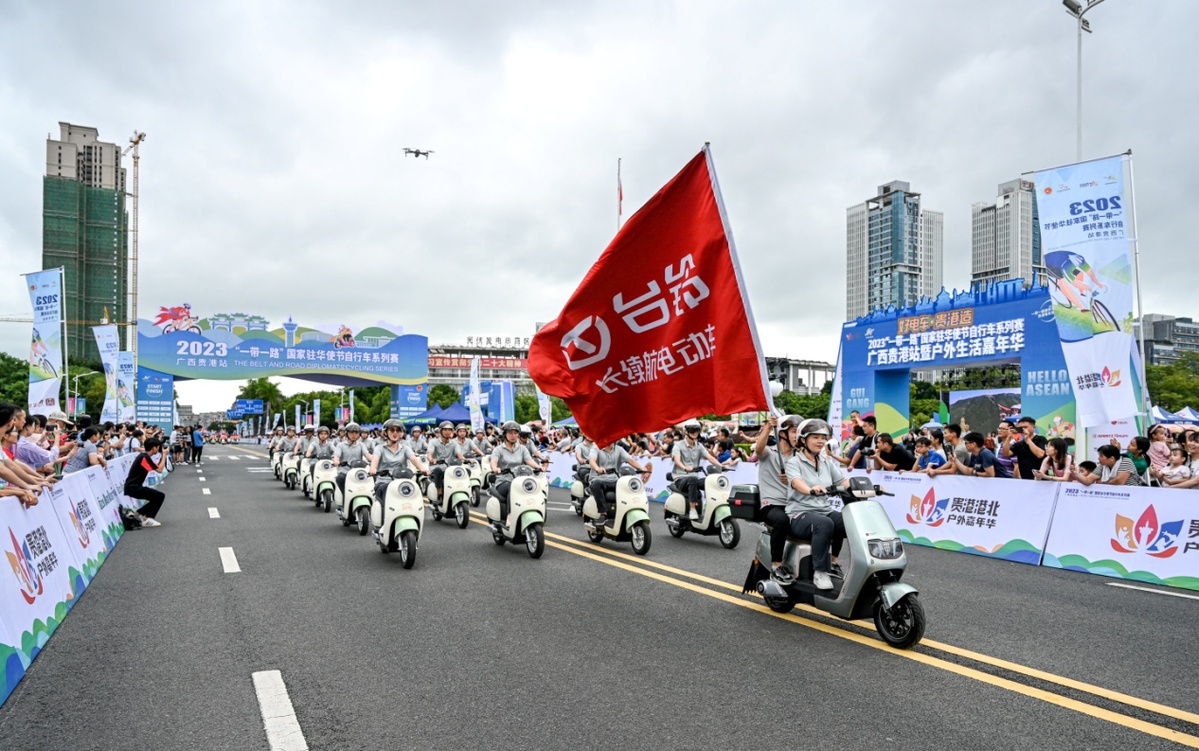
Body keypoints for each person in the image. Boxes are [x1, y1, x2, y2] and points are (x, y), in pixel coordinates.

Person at [784, 419, 850, 591]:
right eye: (815, 437)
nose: (821, 441)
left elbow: (843, 480)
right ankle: (820, 572)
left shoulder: (826, 462)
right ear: (803, 439)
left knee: (848, 521)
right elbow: (796, 483)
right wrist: (810, 489)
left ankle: (833, 563)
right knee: (825, 524)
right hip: (799, 513)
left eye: (823, 437)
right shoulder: (793, 462)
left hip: (823, 510)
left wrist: (867, 486)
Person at [755, 414, 803, 584]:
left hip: (795, 504)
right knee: (781, 520)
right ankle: (777, 565)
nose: (798, 435)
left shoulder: (800, 458)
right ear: (782, 434)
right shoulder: (770, 453)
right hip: (772, 505)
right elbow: (758, 450)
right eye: (794, 431)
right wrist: (768, 426)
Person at [587, 439, 649, 528]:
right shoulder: (596, 448)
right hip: (599, 478)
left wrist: (641, 468)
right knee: (596, 484)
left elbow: (630, 460)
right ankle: (603, 514)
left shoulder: (619, 449)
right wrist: (597, 468)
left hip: (615, 479)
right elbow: (592, 461)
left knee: (627, 486)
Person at [671, 420, 723, 521]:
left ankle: (712, 508)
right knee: (693, 479)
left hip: (693, 478)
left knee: (711, 481)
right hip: (680, 478)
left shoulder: (699, 446)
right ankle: (692, 510)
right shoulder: (678, 445)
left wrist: (721, 466)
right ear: (686, 431)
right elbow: (677, 460)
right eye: (692, 430)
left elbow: (710, 457)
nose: (695, 433)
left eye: (697, 430)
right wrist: (684, 467)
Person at [489, 421, 542, 519]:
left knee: (534, 485)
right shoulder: (498, 449)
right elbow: (494, 461)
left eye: (515, 433)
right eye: (510, 433)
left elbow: (529, 460)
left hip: (519, 479)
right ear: (505, 434)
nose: (513, 435)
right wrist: (495, 468)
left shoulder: (522, 448)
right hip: (504, 480)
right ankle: (510, 516)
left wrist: (538, 467)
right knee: (511, 488)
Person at [369, 420, 429, 502]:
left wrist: (423, 469)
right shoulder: (379, 448)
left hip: (402, 482)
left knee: (415, 492)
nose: (395, 433)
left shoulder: (405, 448)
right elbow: (375, 459)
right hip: (384, 482)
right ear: (385, 432)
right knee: (386, 491)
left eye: (398, 430)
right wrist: (373, 468)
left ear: (401, 433)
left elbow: (413, 458)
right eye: (392, 430)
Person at [124, 437, 168, 527]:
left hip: (132, 486)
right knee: (159, 496)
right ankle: (147, 518)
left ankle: (136, 514)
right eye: (158, 447)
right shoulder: (144, 457)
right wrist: (164, 455)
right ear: (154, 448)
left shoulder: (143, 456)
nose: (159, 449)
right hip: (133, 487)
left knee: (156, 497)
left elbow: (156, 467)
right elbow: (160, 470)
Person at [1073, 444, 1143, 486]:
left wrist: (1103, 482)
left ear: (1111, 458)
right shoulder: (1102, 466)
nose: (1098, 458)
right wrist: (1074, 473)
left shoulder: (1125, 461)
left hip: (1131, 494)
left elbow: (1119, 481)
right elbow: (1087, 481)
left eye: (1101, 456)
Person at [334, 423, 372, 495]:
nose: (354, 435)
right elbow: (337, 456)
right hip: (345, 471)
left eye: (356, 433)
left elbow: (367, 455)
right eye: (351, 432)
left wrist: (375, 460)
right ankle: (345, 497)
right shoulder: (340, 445)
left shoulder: (361, 445)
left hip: (358, 471)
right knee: (339, 479)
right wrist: (336, 461)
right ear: (347, 433)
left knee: (372, 478)